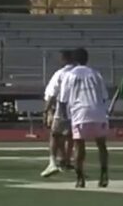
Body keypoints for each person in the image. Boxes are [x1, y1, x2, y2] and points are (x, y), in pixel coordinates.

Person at [58, 48, 110, 188]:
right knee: (101, 145)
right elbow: (105, 96)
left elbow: (62, 100)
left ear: (73, 60)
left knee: (79, 146)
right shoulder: (95, 74)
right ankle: (104, 174)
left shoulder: (69, 75)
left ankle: (80, 177)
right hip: (98, 111)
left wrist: (65, 118)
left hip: (80, 112)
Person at [41, 50, 75, 178]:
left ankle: (53, 162)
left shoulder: (61, 74)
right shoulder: (81, 73)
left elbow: (51, 94)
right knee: (70, 136)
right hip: (77, 108)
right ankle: (66, 159)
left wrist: (46, 111)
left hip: (62, 107)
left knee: (55, 134)